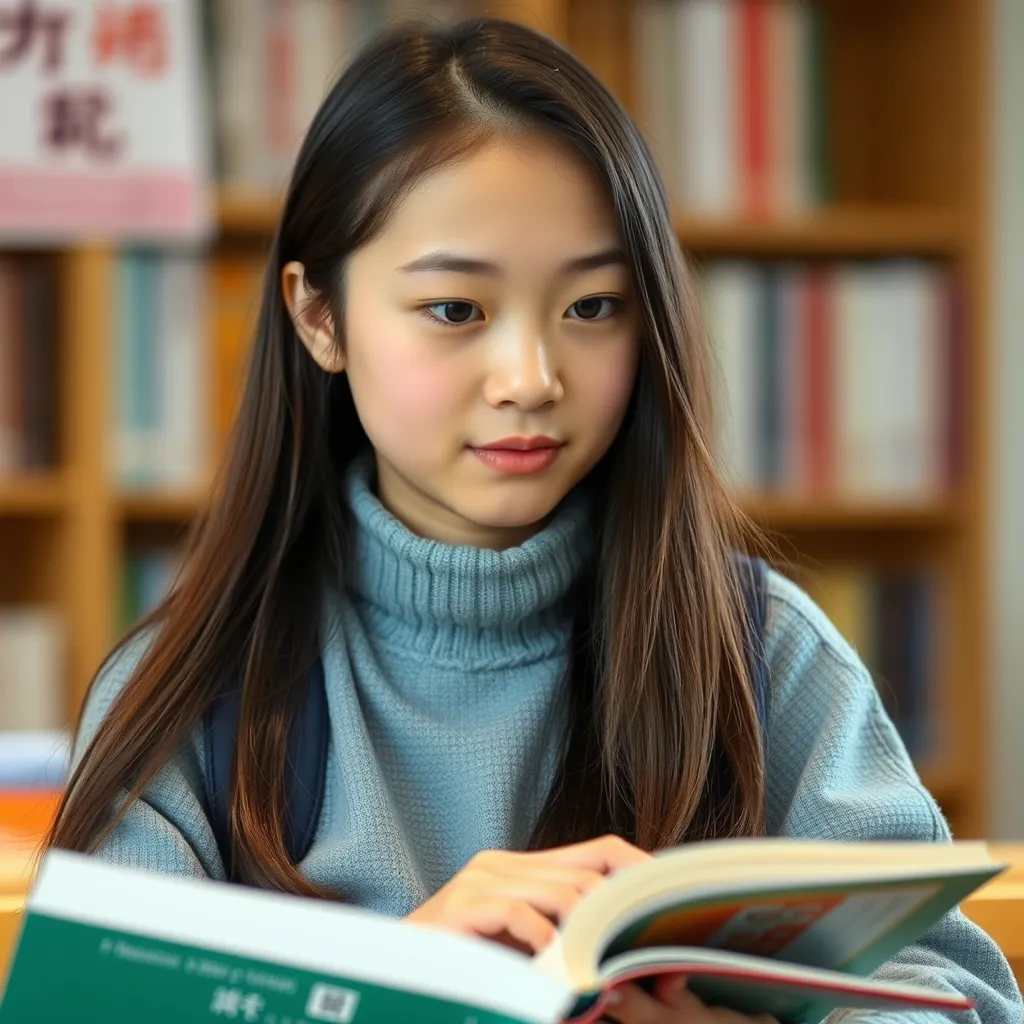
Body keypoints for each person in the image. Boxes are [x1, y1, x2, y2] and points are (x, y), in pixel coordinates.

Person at [46, 15, 1019, 1024]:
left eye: (592, 307)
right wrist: (388, 988)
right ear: (318, 318)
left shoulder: (761, 654)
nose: (530, 378)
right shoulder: (192, 694)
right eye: (456, 310)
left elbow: (953, 997)